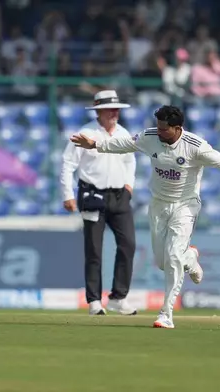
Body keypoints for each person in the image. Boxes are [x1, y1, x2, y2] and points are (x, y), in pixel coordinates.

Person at [70, 105, 220, 329]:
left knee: (173, 256)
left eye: (164, 129)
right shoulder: (150, 136)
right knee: (162, 262)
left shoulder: (195, 146)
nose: (159, 132)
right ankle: (191, 256)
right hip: (158, 205)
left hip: (185, 206)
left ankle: (165, 314)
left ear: (178, 128)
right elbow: (124, 144)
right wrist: (95, 144)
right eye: (158, 127)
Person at [60, 90, 137, 316]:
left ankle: (118, 297)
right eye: (110, 109)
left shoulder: (124, 133)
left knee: (128, 244)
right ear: (99, 112)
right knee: (94, 249)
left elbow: (130, 161)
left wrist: (129, 184)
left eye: (117, 109)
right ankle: (94, 300)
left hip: (119, 196)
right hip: (92, 195)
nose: (114, 113)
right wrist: (68, 194)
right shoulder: (85, 133)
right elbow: (67, 165)